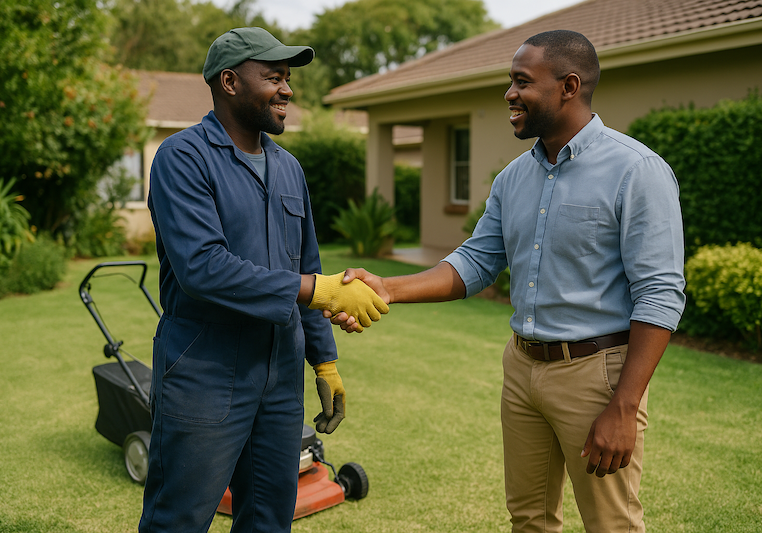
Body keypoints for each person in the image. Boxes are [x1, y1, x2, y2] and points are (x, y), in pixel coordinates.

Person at [330, 30, 685, 533]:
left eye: (522, 82)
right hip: (522, 370)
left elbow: (661, 293)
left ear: (569, 85)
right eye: (509, 81)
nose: (509, 94)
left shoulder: (637, 170)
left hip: (596, 376)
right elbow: (475, 263)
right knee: (529, 520)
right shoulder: (513, 178)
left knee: (612, 525)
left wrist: (623, 408)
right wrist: (387, 286)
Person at [140, 27, 388, 533]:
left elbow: (309, 263)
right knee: (180, 519)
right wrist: (316, 289)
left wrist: (323, 360)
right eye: (274, 77)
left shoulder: (289, 168)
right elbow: (203, 267)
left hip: (278, 378)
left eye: (288, 78)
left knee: (269, 517)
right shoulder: (182, 158)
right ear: (230, 82)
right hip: (204, 371)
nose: (288, 90)